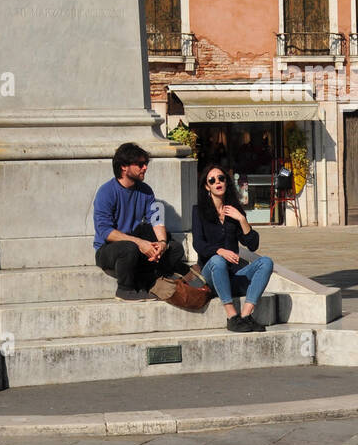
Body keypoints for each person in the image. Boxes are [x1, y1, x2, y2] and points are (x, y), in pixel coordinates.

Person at [93, 142, 188, 300]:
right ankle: (124, 290)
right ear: (124, 167)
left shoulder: (146, 190)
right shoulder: (106, 192)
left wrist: (162, 244)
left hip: (135, 246)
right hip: (108, 250)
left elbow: (156, 220)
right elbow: (106, 232)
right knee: (130, 248)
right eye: (140, 164)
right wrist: (140, 243)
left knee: (175, 248)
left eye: (146, 163)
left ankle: (147, 278)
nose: (145, 168)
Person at [192, 163, 274, 333]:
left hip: (234, 275)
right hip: (212, 276)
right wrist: (220, 251)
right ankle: (232, 317)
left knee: (266, 262)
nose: (218, 182)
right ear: (207, 186)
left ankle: (245, 316)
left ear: (226, 182)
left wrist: (242, 220)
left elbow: (252, 245)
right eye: (212, 180)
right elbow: (198, 244)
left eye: (221, 178)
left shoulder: (234, 212)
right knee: (217, 261)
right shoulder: (199, 211)